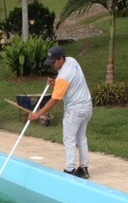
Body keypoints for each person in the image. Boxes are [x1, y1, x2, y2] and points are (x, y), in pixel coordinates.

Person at [29, 46, 93, 179]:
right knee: (81, 138)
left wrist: (38, 114)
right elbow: (69, 83)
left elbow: (55, 99)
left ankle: (70, 170)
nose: (52, 65)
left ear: (61, 59)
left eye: (54, 62)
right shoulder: (72, 61)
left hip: (75, 111)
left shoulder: (63, 76)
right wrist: (56, 83)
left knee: (69, 140)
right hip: (87, 106)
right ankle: (84, 169)